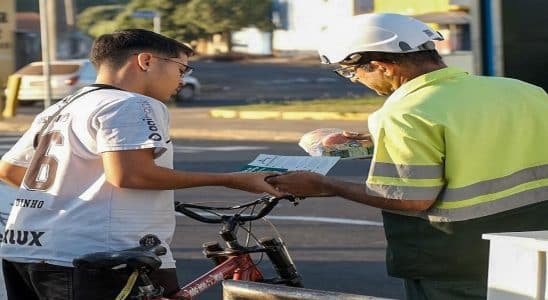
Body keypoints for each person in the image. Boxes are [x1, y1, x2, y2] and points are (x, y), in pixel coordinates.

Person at [267, 13, 548, 300]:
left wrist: (326, 185)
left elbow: (410, 198)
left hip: (456, 262)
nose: (354, 81)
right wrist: (379, 143)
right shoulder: (522, 91)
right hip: (535, 248)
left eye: (351, 72)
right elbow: (484, 143)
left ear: (380, 66)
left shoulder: (405, 112)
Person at [0, 28, 282, 300]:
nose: (182, 80)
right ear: (146, 61)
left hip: (24, 251)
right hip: (100, 256)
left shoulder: (63, 106)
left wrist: (82, 195)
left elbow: (10, 171)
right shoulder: (131, 103)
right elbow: (131, 175)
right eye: (181, 69)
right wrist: (230, 179)